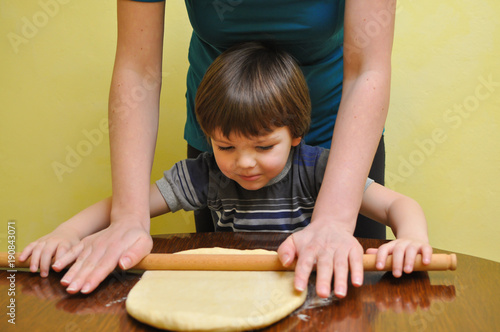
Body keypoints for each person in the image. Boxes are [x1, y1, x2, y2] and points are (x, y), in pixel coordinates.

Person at [20, 42, 431, 297]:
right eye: (226, 145)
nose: (244, 162)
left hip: (313, 296)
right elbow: (125, 207)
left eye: (264, 145)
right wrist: (66, 234)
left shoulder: (320, 170)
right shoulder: (206, 175)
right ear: (209, 137)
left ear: (296, 135)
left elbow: (400, 206)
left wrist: (411, 239)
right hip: (233, 300)